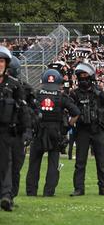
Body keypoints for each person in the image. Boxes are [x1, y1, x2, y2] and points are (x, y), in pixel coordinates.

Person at [25, 69, 80, 197]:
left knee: (34, 163)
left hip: (38, 131)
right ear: (59, 82)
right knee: (53, 163)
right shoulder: (62, 97)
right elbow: (76, 113)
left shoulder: (37, 94)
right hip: (55, 132)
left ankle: (31, 191)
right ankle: (49, 192)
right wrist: (67, 128)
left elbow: (27, 112)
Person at [70, 62, 104, 196]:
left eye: (85, 75)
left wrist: (102, 122)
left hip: (98, 130)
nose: (83, 78)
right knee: (80, 161)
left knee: (101, 161)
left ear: (90, 76)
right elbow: (70, 110)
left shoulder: (99, 93)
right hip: (82, 130)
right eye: (80, 76)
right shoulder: (74, 94)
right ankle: (79, 188)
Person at [1, 56, 36, 208]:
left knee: (13, 165)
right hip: (8, 130)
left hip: (15, 131)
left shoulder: (22, 87)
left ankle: (9, 196)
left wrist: (28, 129)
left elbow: (27, 110)